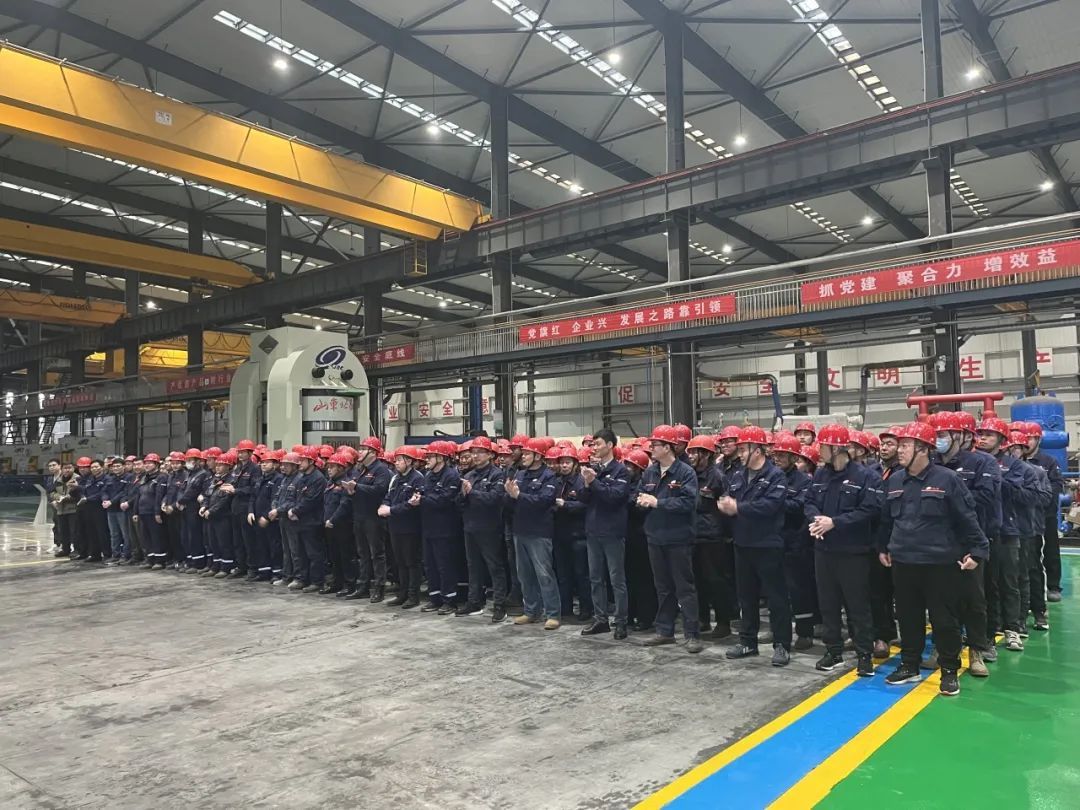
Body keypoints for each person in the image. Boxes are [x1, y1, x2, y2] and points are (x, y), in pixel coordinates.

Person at [878, 422, 989, 697]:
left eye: (905, 445)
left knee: (944, 620)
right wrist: (883, 547)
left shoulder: (947, 479)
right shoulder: (895, 480)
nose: (899, 450)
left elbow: (967, 517)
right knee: (908, 618)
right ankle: (910, 665)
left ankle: (949, 670)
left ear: (923, 449)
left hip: (939, 563)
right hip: (903, 562)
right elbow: (886, 519)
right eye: (899, 445)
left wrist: (978, 550)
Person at [804, 424, 879, 677]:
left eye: (823, 446)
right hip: (824, 551)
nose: (819, 450)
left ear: (836, 448)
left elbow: (869, 510)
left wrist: (835, 522)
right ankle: (833, 650)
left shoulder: (865, 477)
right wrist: (816, 519)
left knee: (857, 606)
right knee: (828, 604)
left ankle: (864, 655)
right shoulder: (820, 475)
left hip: (852, 552)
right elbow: (809, 502)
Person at [720, 425, 792, 667]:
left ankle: (782, 644)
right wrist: (726, 506)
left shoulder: (775, 476)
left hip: (768, 544)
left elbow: (771, 506)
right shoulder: (738, 475)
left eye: (743, 449)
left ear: (757, 450)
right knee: (746, 597)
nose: (740, 454)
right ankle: (748, 641)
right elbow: (731, 499)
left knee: (776, 598)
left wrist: (738, 507)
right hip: (743, 543)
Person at [934, 412, 999, 676]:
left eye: (943, 435)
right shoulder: (931, 463)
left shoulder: (983, 462)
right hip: (938, 542)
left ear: (960, 436)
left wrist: (946, 496)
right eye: (936, 435)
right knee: (941, 600)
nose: (938, 440)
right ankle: (944, 649)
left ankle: (976, 651)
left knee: (974, 600)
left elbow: (984, 497)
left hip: (970, 541)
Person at [637, 425, 702, 653]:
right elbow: (639, 494)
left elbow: (688, 503)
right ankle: (665, 630)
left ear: (667, 447)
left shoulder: (685, 473)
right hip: (655, 537)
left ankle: (692, 634)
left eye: (655, 444)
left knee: (684, 587)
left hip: (678, 538)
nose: (652, 448)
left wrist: (658, 503)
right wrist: (641, 501)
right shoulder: (650, 472)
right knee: (662, 587)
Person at [578, 428, 631, 640]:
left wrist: (594, 482)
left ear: (610, 445)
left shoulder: (621, 471)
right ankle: (600, 619)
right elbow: (582, 498)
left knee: (617, 579)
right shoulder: (593, 470)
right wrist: (586, 484)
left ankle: (621, 621)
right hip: (593, 531)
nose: (594, 448)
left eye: (598, 443)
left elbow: (614, 497)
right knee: (595, 578)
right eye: (593, 444)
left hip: (612, 532)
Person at [507, 438, 562, 630]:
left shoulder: (549, 476)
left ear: (538, 456)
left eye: (527, 453)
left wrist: (518, 496)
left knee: (544, 574)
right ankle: (531, 610)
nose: (523, 456)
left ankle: (553, 613)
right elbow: (512, 502)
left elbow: (544, 501)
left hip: (539, 532)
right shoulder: (520, 474)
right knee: (524, 574)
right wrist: (509, 495)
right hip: (520, 529)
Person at [772, 434, 818, 652]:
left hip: (796, 543)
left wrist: (772, 502)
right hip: (773, 541)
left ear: (794, 457)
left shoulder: (804, 481)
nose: (778, 458)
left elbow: (799, 506)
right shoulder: (770, 477)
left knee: (799, 590)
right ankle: (779, 630)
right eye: (776, 454)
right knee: (776, 590)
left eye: (783, 455)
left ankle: (805, 632)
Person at [685, 434, 734, 639]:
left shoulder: (717, 477)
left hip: (712, 537)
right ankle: (702, 619)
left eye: (695, 452)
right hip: (692, 535)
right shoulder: (689, 475)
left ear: (706, 454)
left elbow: (726, 506)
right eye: (690, 452)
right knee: (697, 581)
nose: (691, 456)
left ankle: (723, 622)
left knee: (716, 580)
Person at [458, 436, 508, 621]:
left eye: (480, 452)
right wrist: (463, 495)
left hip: (489, 528)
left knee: (495, 567)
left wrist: (472, 492)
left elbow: (494, 499)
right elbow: (459, 503)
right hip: (470, 526)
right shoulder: (468, 476)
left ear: (490, 455)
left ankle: (499, 605)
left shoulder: (497, 475)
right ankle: (474, 602)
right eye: (473, 452)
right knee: (473, 567)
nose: (475, 455)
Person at [1008, 429, 1053, 633]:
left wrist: (1017, 491)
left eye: (1016, 448)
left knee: (1031, 571)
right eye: (1009, 448)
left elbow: (1044, 497)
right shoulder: (998, 469)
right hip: (1007, 529)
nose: (1012, 452)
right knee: (1010, 576)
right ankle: (1012, 616)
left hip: (1029, 528)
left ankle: (1038, 611)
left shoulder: (1036, 472)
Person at [419, 441, 465, 614]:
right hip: (428, 527)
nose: (427, 459)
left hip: (445, 528)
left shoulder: (451, 476)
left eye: (430, 456)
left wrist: (424, 499)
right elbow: (427, 495)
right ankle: (435, 598)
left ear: (441, 458)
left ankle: (449, 600)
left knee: (445, 565)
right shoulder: (428, 475)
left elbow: (444, 500)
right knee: (430, 565)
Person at [343, 438, 392, 602]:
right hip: (360, 516)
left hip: (373, 517)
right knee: (362, 553)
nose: (360, 452)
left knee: (377, 554)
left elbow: (379, 490)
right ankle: (363, 586)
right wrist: (352, 491)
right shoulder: (361, 470)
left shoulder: (381, 470)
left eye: (364, 449)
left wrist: (357, 487)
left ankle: (379, 587)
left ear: (373, 452)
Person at [378, 446, 426, 608]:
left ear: (409, 461)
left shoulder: (417, 479)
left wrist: (391, 510)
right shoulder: (395, 478)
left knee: (412, 562)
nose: (396, 463)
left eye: (399, 460)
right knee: (400, 562)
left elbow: (412, 504)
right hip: (395, 526)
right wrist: (384, 506)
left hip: (410, 527)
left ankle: (413, 596)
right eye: (396, 460)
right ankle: (402, 593)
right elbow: (388, 496)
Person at [551, 446, 592, 623]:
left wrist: (566, 505)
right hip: (560, 534)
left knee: (581, 574)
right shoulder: (557, 481)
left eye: (567, 462)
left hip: (578, 535)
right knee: (563, 574)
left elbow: (586, 505)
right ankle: (565, 608)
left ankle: (586, 609)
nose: (564, 465)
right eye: (562, 462)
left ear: (575, 464)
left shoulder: (581, 481)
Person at [622, 448, 656, 633]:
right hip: (626, 534)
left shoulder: (643, 485)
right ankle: (629, 613)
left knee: (644, 579)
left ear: (639, 468)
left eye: (631, 466)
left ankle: (645, 617)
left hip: (641, 535)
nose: (627, 468)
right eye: (626, 464)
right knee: (628, 577)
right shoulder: (625, 484)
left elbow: (638, 506)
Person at [287, 448, 329, 593]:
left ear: (311, 462)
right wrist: (293, 509)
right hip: (300, 521)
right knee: (301, 552)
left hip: (312, 521)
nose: (300, 463)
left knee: (314, 553)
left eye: (303, 460)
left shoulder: (318, 479)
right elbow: (296, 496)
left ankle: (317, 581)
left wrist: (295, 511)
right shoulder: (302, 477)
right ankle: (303, 579)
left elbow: (311, 500)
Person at [322, 453, 354, 594]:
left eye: (332, 467)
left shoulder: (345, 483)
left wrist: (332, 520)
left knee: (345, 556)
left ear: (341, 468)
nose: (329, 469)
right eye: (328, 467)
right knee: (334, 556)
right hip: (329, 525)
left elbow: (344, 505)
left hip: (342, 525)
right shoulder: (330, 483)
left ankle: (349, 584)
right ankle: (337, 582)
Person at [252, 450, 284, 583]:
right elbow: (253, 497)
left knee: (274, 546)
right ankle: (264, 571)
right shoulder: (260, 479)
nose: (263, 465)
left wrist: (266, 516)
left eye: (267, 462)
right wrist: (250, 512)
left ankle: (277, 572)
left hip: (271, 520)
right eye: (262, 463)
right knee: (261, 546)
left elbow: (275, 500)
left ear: (275, 465)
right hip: (257, 518)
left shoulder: (278, 479)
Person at [131, 454, 168, 569]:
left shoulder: (161, 477)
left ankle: (159, 560)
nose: (147, 465)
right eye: (146, 463)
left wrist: (157, 512)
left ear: (156, 464)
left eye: (150, 463)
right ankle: (150, 559)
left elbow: (159, 495)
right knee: (146, 537)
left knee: (157, 536)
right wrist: (135, 512)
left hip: (153, 512)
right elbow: (138, 495)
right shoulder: (144, 478)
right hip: (143, 512)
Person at [179, 450, 211, 572]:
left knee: (195, 536)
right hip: (186, 508)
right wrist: (179, 501)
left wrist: (181, 501)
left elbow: (193, 491)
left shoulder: (202, 474)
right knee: (186, 536)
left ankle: (198, 563)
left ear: (198, 461)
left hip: (194, 508)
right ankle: (190, 560)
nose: (189, 462)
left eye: (191, 460)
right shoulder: (189, 474)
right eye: (187, 460)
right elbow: (182, 489)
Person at [101, 458, 130, 564]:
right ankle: (115, 554)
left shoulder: (128, 477)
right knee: (114, 534)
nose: (116, 468)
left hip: (121, 509)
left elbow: (124, 492)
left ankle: (125, 555)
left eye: (118, 466)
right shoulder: (110, 478)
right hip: (110, 510)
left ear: (124, 466)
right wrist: (105, 500)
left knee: (125, 534)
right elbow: (104, 491)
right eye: (114, 466)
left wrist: (111, 502)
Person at [49, 462, 79, 557]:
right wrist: (58, 497)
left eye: (69, 468)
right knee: (63, 531)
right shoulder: (58, 480)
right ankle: (65, 549)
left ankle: (77, 550)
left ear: (73, 468)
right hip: (61, 510)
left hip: (73, 509)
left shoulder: (77, 479)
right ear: (62, 469)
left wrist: (65, 498)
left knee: (74, 531)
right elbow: (52, 492)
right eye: (65, 468)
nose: (67, 470)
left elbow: (78, 494)